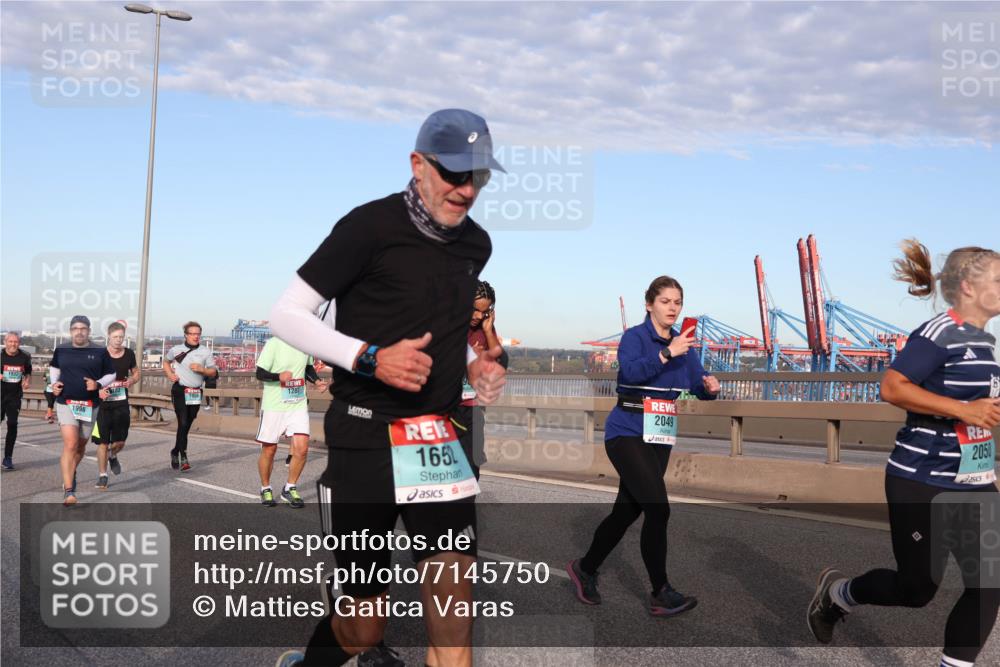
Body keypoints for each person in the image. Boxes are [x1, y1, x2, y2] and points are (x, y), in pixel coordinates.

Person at [269, 108, 508, 667]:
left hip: (435, 442)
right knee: (364, 629)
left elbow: (448, 325)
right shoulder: (368, 228)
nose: (466, 189)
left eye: (478, 176)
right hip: (366, 441)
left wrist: (473, 364)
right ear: (418, 165)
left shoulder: (477, 245)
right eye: (453, 173)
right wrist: (369, 358)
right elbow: (287, 314)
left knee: (454, 626)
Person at [808, 241, 1000, 667]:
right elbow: (892, 386)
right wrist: (964, 409)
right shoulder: (938, 333)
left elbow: (976, 414)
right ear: (969, 286)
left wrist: (986, 467)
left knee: (989, 583)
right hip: (921, 480)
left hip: (972, 482)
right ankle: (839, 594)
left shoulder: (983, 342)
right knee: (917, 591)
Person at [567, 275, 721, 617]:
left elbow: (697, 385)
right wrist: (667, 354)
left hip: (659, 436)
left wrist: (710, 386)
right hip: (626, 433)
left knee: (627, 511)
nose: (673, 308)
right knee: (657, 508)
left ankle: (585, 568)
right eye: (665, 301)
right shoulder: (634, 338)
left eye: (678, 302)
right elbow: (631, 374)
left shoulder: (684, 346)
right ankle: (660, 592)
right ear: (649, 304)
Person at [254, 336, 329, 508]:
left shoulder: (305, 343)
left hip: (298, 404)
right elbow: (260, 373)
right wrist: (278, 376)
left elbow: (308, 367)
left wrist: (317, 381)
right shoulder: (274, 343)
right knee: (270, 450)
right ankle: (265, 488)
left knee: (302, 449)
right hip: (274, 406)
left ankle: (290, 487)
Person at [50, 316, 115, 506]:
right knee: (70, 444)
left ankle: (71, 471)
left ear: (89, 330)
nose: (79, 331)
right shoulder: (62, 349)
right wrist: (54, 384)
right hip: (66, 402)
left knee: (80, 446)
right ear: (71, 331)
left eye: (83, 328)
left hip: (89, 405)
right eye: (76, 328)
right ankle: (69, 491)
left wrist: (98, 384)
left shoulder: (100, 351)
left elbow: (111, 373)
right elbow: (54, 367)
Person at [454, 280, 508, 479]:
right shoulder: (449, 323)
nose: (478, 316)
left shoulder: (484, 327)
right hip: (447, 407)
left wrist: (487, 330)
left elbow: (499, 359)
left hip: (471, 406)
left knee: (473, 468)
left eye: (484, 312)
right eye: (474, 310)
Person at [163, 321, 217, 471]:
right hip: (180, 390)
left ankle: (174, 451)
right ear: (186, 335)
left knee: (186, 424)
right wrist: (170, 374)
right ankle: (183, 456)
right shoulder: (176, 350)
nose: (195, 336)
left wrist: (202, 370)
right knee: (183, 421)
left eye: (198, 334)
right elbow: (166, 362)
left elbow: (214, 372)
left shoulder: (205, 352)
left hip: (195, 391)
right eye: (192, 334)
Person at [92, 321, 139, 489]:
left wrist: (132, 380)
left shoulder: (129, 354)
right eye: (115, 337)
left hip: (121, 404)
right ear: (108, 337)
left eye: (121, 337)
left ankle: (113, 455)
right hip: (102, 406)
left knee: (120, 442)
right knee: (102, 442)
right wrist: (97, 392)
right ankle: (103, 476)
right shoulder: (99, 355)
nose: (119, 340)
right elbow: (89, 379)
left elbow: (136, 372)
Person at [2, 332, 32, 470]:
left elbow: (28, 372)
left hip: (14, 397)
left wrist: (27, 381)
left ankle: (8, 457)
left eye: (16, 342)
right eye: (10, 341)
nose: (13, 344)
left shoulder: (24, 357)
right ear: (5, 342)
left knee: (12, 424)